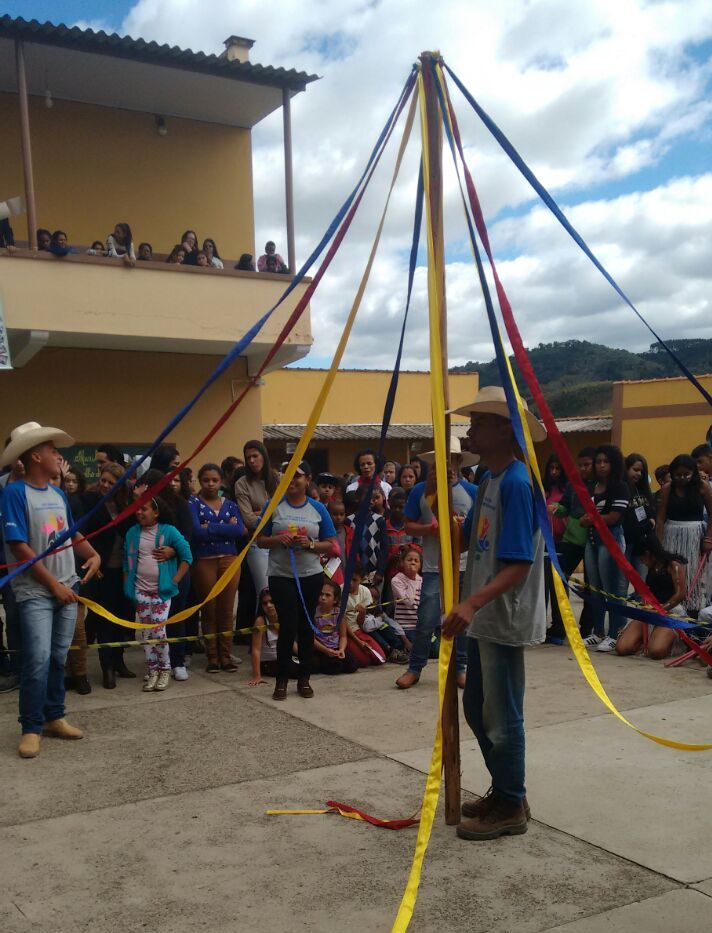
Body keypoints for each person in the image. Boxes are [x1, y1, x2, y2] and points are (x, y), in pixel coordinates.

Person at [442, 386, 547, 841]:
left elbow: (518, 563)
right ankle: (506, 790)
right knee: (476, 708)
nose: (470, 431)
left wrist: (471, 602)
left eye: (480, 422)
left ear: (506, 430)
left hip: (503, 613)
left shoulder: (518, 484)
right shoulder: (488, 479)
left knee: (502, 716)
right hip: (484, 614)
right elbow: (470, 536)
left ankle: (510, 802)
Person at [1, 422, 101, 759]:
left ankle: (54, 716)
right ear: (35, 456)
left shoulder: (58, 494)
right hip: (36, 592)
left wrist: (93, 554)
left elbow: (69, 533)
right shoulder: (15, 493)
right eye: (52, 450)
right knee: (38, 660)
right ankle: (31, 726)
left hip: (67, 586)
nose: (59, 455)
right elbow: (20, 547)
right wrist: (53, 586)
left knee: (58, 657)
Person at [396, 436, 478, 690]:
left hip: (464, 565)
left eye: (452, 459)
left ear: (459, 461)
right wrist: (429, 529)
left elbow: (481, 528)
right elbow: (408, 525)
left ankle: (461, 667)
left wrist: (464, 528)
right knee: (426, 620)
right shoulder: (421, 491)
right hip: (433, 567)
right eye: (443, 460)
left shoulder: (472, 491)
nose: (448, 465)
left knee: (462, 620)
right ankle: (415, 667)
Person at [256, 461, 337, 700]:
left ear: (308, 479)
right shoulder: (274, 505)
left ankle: (304, 678)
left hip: (310, 576)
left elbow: (330, 544)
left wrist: (310, 544)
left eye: (297, 476)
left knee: (305, 627)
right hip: (281, 575)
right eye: (287, 475)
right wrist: (278, 539)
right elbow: (260, 539)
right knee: (287, 626)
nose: (291, 480)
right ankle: (281, 680)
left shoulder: (318, 508)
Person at [124, 496, 192, 692]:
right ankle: (152, 669)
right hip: (140, 591)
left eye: (144, 509)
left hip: (161, 592)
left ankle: (165, 669)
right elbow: (126, 563)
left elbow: (187, 556)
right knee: (146, 632)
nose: (139, 512)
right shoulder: (132, 533)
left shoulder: (169, 531)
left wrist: (174, 581)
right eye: (137, 509)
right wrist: (129, 588)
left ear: (156, 512)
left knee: (159, 631)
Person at [82, 462, 137, 688]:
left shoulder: (126, 505)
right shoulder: (90, 502)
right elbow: (83, 534)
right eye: (103, 480)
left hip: (122, 570)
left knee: (122, 617)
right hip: (101, 570)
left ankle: (119, 661)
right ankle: (107, 667)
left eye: (111, 482)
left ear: (120, 485)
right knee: (105, 619)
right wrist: (92, 560)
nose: (105, 485)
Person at [137, 467, 193, 681]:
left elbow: (188, 538)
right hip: (150, 578)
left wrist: (173, 551)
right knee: (152, 623)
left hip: (175, 571)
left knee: (176, 616)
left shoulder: (180, 505)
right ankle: (156, 665)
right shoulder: (142, 508)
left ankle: (177, 661)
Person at [189, 464, 245, 673]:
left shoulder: (230, 504)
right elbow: (196, 532)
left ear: (221, 482)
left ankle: (226, 655)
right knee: (209, 609)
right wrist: (226, 527)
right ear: (200, 481)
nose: (210, 484)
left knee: (227, 610)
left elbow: (240, 530)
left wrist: (210, 526)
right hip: (204, 560)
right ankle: (212, 656)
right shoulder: (193, 503)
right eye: (206, 480)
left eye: (215, 480)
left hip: (230, 559)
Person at [580, 444, 630, 651]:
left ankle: (615, 633)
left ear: (614, 463)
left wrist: (590, 519)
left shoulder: (620, 487)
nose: (601, 465)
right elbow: (584, 514)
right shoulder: (592, 486)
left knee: (611, 589)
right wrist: (585, 520)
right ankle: (598, 631)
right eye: (598, 461)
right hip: (592, 540)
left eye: (606, 462)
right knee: (594, 588)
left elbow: (614, 517)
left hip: (610, 540)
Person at [656, 453, 712, 613]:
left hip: (695, 537)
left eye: (686, 474)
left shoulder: (703, 486)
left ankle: (692, 612)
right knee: (674, 574)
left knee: (692, 575)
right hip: (671, 535)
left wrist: (708, 538)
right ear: (672, 474)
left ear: (693, 472)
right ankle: (673, 609)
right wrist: (659, 546)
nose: (682, 478)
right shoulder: (667, 489)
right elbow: (660, 518)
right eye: (678, 475)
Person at [550, 447, 596, 641]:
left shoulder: (601, 486)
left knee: (591, 586)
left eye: (587, 465)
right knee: (557, 577)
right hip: (570, 540)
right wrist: (556, 508)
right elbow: (565, 508)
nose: (583, 469)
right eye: (581, 465)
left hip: (593, 542)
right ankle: (560, 624)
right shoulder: (573, 485)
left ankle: (587, 629)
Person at [616, 537, 687, 660]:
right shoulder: (652, 567)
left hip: (670, 612)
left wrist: (661, 609)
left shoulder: (674, 565)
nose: (642, 562)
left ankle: (666, 641)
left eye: (642, 558)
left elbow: (680, 594)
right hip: (649, 610)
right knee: (621, 648)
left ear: (649, 554)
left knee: (656, 651)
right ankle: (645, 640)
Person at [234, 440, 279, 594]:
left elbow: (287, 510)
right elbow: (248, 519)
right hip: (258, 543)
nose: (252, 461)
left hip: (282, 541)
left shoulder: (278, 478)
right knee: (266, 593)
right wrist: (273, 515)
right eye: (248, 458)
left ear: (264, 456)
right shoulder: (242, 484)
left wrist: (259, 513)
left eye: (255, 456)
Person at [343, 566, 387, 667]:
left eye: (355, 580)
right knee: (364, 661)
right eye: (348, 578)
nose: (350, 582)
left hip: (359, 630)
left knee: (380, 658)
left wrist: (362, 612)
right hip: (346, 633)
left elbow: (360, 623)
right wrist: (358, 642)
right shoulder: (341, 591)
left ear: (362, 580)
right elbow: (343, 624)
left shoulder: (365, 591)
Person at [312, 580, 359, 675]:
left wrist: (341, 649)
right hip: (321, 649)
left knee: (352, 664)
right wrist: (326, 651)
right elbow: (311, 639)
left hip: (336, 647)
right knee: (333, 667)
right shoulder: (313, 613)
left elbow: (343, 636)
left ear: (335, 600)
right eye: (321, 594)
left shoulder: (339, 613)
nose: (323, 598)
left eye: (327, 595)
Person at [623, 452, 656, 576]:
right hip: (625, 544)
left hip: (642, 546)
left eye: (641, 471)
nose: (639, 474)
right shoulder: (621, 490)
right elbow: (627, 524)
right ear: (626, 469)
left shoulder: (643, 491)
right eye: (635, 470)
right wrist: (647, 524)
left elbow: (652, 516)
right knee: (621, 583)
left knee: (642, 582)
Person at [390, 546, 421, 649]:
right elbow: (409, 602)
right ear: (402, 563)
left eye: (416, 561)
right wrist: (412, 579)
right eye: (409, 560)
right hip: (405, 628)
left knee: (435, 651)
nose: (413, 563)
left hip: (420, 626)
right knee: (417, 650)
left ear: (420, 565)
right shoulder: (397, 580)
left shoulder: (422, 580)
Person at [326, 498, 353, 585]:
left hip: (347, 571)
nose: (338, 517)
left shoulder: (349, 531)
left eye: (341, 514)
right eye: (335, 514)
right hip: (330, 573)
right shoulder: (323, 532)